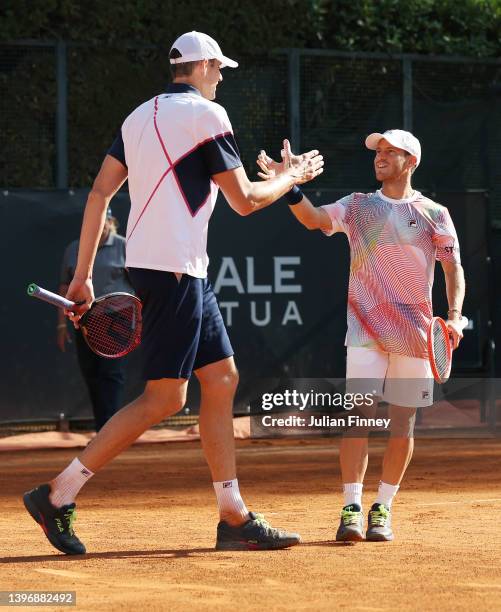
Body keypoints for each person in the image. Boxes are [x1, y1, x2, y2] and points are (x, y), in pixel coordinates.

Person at [23, 31, 324, 555]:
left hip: (169, 268)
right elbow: (247, 201)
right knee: (167, 396)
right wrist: (292, 176)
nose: (223, 76)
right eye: (220, 68)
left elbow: (99, 192)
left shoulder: (137, 117)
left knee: (222, 378)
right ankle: (57, 494)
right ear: (204, 66)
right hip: (174, 270)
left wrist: (84, 274)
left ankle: (233, 516)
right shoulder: (209, 116)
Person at [257, 130, 465, 541]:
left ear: (412, 161)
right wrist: (291, 188)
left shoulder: (434, 214)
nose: (381, 157)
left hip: (415, 335)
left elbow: (453, 268)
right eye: (378, 151)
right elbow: (314, 219)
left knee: (402, 424)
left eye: (391, 152)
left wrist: (455, 316)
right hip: (365, 332)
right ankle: (351, 506)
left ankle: (382, 509)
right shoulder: (357, 206)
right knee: (356, 420)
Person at [57, 208, 132, 431]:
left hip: (117, 318)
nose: (101, 226)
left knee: (110, 374)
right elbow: (64, 287)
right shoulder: (73, 249)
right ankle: (104, 429)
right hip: (85, 320)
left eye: (105, 220)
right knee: (92, 374)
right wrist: (61, 324)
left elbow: (139, 282)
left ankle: (110, 431)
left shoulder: (124, 246)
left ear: (111, 221)